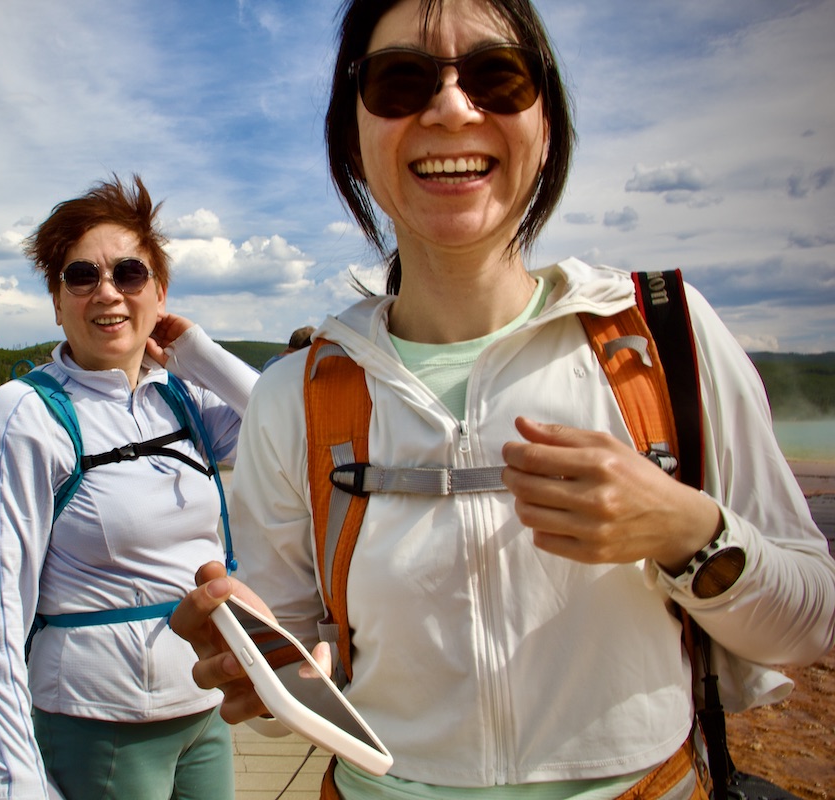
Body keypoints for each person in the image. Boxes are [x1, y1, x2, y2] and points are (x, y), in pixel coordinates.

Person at [172, 1, 835, 799]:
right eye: (400, 81)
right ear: (352, 133)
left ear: (545, 120)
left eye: (498, 76)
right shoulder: (296, 396)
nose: (452, 108)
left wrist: (688, 530)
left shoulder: (666, 336)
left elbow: (809, 624)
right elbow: (296, 682)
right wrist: (270, 677)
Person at [0, 175, 258, 800]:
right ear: (56, 297)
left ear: (159, 291)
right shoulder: (27, 413)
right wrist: (13, 779)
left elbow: (288, 424)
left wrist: (193, 351)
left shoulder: (180, 399)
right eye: (81, 276)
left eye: (129, 274)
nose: (108, 293)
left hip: (203, 707)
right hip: (96, 718)